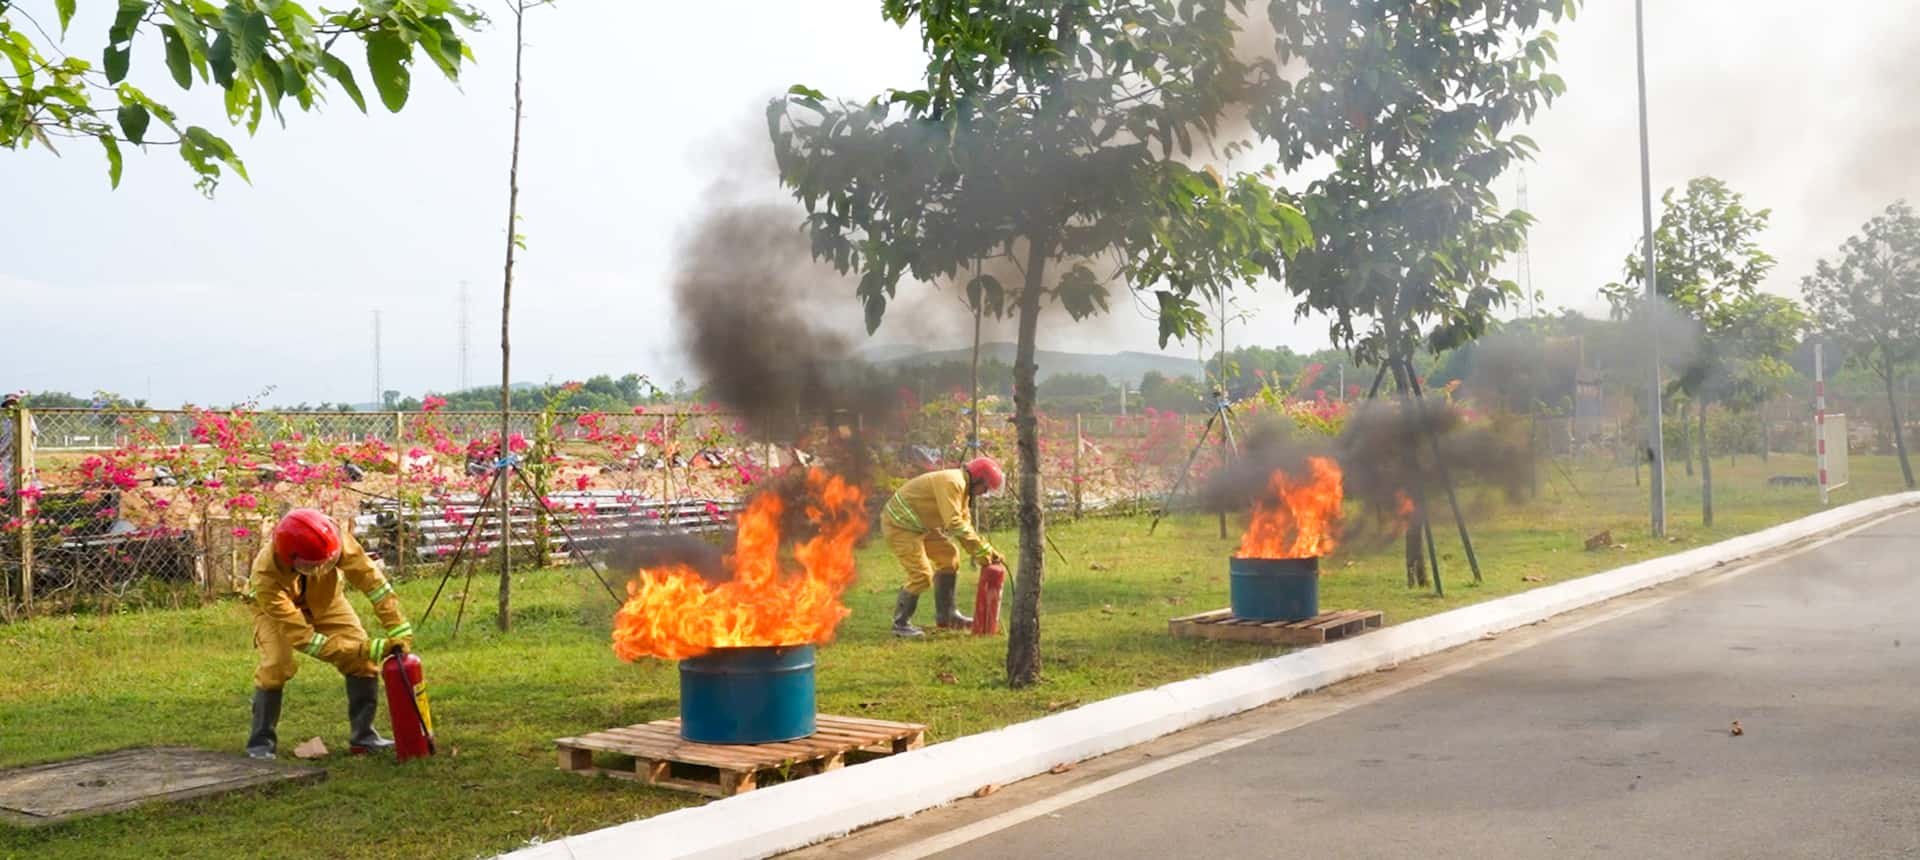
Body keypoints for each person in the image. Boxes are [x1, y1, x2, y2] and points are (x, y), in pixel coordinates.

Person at [245, 508, 414, 759]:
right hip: (274, 611)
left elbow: (371, 580)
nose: (325, 567)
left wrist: (397, 626)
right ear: (291, 558)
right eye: (316, 565)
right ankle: (260, 743)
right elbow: (305, 639)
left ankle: (364, 737)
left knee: (363, 663)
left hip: (326, 600)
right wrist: (365, 648)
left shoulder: (333, 537)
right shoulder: (265, 576)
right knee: (277, 665)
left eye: (329, 562)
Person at [881, 457, 1005, 638]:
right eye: (985, 488)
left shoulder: (963, 490)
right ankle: (900, 625)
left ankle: (947, 616)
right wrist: (981, 551)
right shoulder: (953, 482)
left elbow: (964, 525)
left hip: (920, 525)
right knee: (921, 575)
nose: (984, 493)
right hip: (900, 525)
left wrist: (985, 551)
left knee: (949, 558)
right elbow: (954, 523)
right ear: (978, 479)